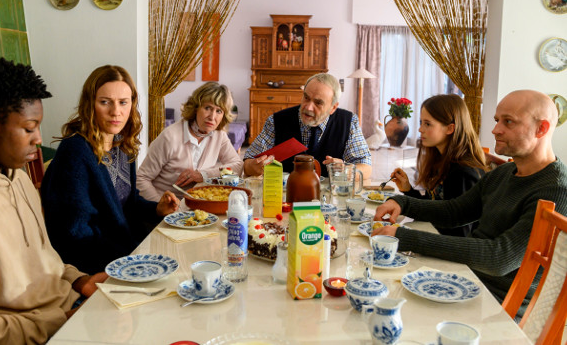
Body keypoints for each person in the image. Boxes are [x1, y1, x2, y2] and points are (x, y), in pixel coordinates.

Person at [0, 58, 107, 344]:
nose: (39, 139)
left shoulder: (17, 177)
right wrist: (60, 324)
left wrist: (77, 279)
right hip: (44, 332)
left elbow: (44, 260)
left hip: (70, 305)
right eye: (29, 128)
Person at [373, 90, 567, 317]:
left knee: (392, 308)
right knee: (383, 289)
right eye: (496, 120)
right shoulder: (505, 172)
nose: (495, 130)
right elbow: (455, 210)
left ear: (541, 129)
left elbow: (499, 258)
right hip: (467, 278)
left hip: (497, 306)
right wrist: (404, 203)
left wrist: (406, 237)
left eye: (508, 122)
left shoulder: (555, 190)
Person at [41, 65, 179, 274]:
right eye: (105, 102)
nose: (116, 112)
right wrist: (129, 263)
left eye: (123, 102)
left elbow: (128, 203)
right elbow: (75, 232)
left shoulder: (122, 144)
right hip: (92, 264)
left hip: (124, 248)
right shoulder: (75, 152)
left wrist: (156, 209)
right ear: (90, 104)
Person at [389, 94, 487, 236]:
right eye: (421, 122)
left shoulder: (463, 173)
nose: (420, 129)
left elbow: (460, 234)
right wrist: (408, 190)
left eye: (427, 124)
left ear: (450, 128)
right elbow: (433, 209)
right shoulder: (441, 160)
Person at [243, 73, 371, 178]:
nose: (308, 107)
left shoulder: (348, 122)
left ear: (333, 107)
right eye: (306, 97)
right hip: (286, 198)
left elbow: (366, 167)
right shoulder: (277, 121)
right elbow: (248, 163)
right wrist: (253, 167)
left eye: (318, 103)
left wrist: (346, 170)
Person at [137, 82, 243, 201]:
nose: (212, 117)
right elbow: (141, 179)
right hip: (164, 209)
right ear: (196, 107)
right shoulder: (170, 136)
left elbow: (238, 166)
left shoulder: (219, 136)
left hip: (197, 206)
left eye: (219, 111)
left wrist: (203, 175)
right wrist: (160, 206)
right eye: (208, 108)